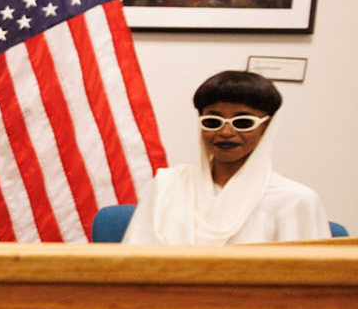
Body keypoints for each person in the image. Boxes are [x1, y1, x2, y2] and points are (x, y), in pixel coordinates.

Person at [124, 69, 329, 245]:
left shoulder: (295, 200)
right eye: (213, 122)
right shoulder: (167, 186)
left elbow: (311, 274)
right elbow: (132, 261)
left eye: (243, 122)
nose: (226, 132)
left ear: (265, 127)